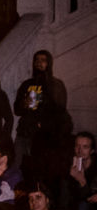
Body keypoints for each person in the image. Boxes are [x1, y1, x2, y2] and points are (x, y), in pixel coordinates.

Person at [13, 50, 69, 181]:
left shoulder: (56, 85)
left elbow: (60, 111)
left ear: (49, 63)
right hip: (24, 134)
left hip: (43, 137)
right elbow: (16, 110)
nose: (39, 63)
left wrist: (44, 123)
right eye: (36, 60)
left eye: (43, 60)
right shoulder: (26, 84)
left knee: (39, 172)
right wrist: (23, 104)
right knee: (17, 169)